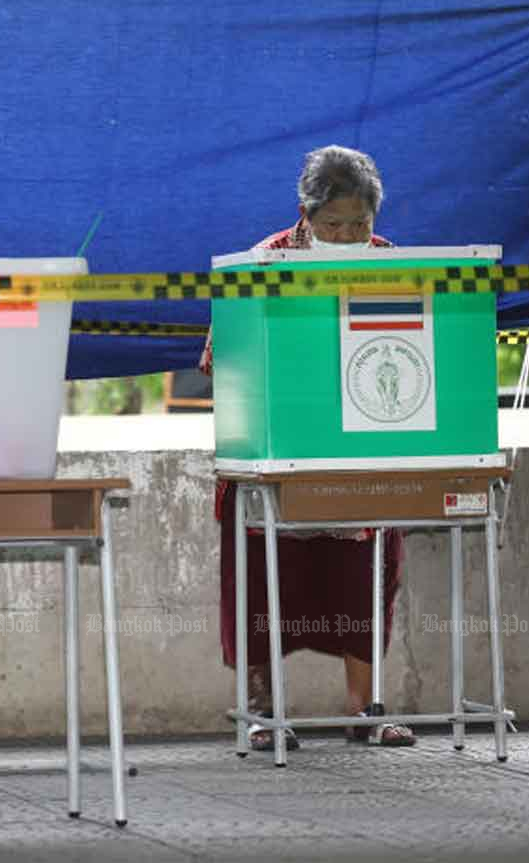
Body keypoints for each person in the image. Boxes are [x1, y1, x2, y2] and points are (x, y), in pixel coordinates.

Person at [201, 145, 416, 752]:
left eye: (360, 224)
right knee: (267, 582)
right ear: (305, 213)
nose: (349, 236)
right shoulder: (265, 262)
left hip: (363, 448)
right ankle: (265, 712)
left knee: (364, 580)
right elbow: (222, 361)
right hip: (276, 449)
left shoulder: (389, 261)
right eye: (334, 225)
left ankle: (366, 708)